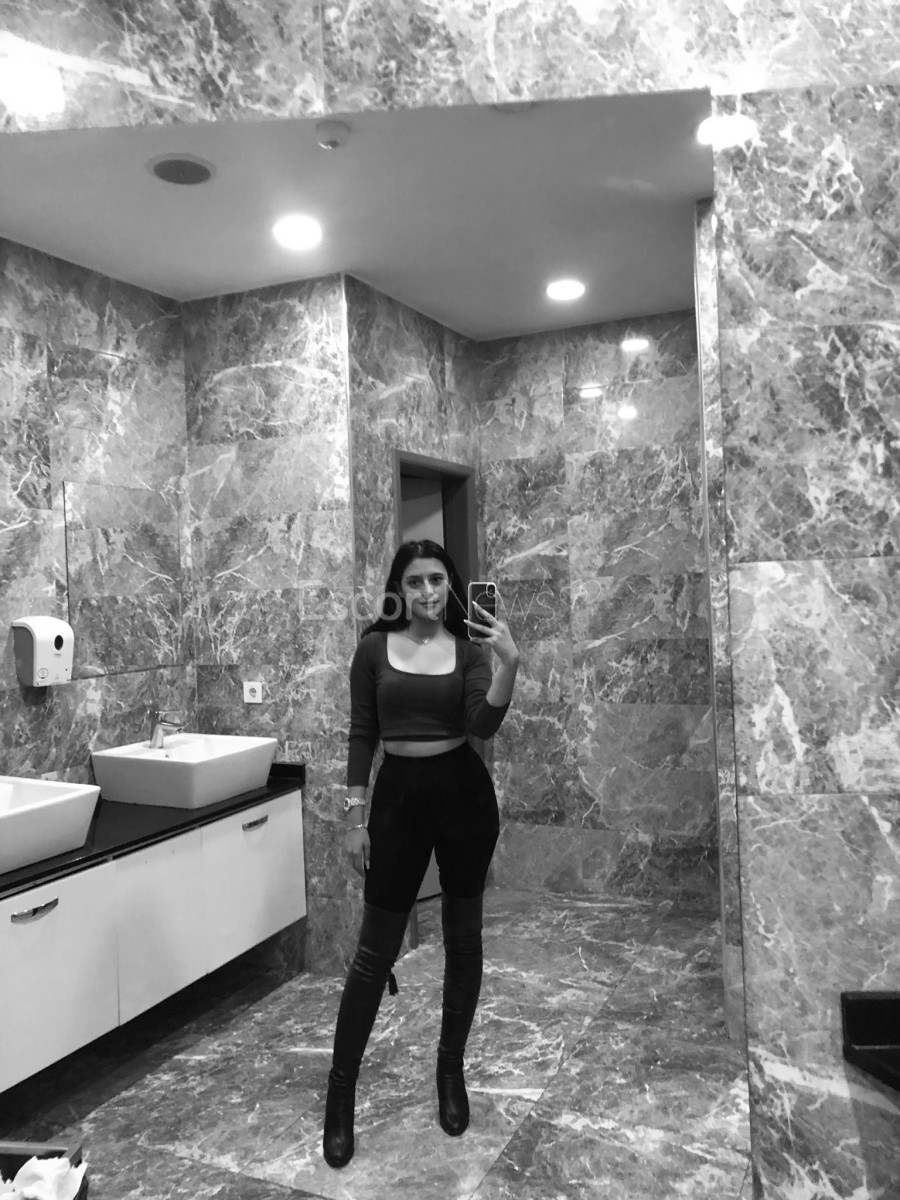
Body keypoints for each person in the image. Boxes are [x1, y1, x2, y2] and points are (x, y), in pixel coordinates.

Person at [322, 539, 519, 1169]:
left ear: (450, 584)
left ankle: (449, 1070)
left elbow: (482, 726)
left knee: (464, 940)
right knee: (374, 953)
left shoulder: (469, 649)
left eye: (437, 579)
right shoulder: (373, 649)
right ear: (399, 589)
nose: (428, 592)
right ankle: (340, 1092)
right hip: (397, 803)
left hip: (464, 798)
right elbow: (362, 734)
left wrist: (509, 663)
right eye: (415, 582)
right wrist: (354, 818)